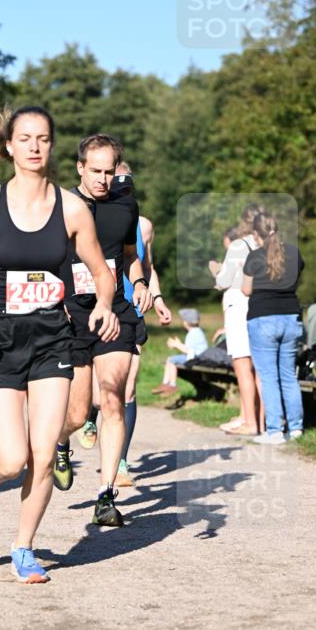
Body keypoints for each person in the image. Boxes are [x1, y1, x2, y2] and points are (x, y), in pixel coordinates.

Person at [0, 106, 117, 583]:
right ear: (10, 146)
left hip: (51, 339)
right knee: (12, 458)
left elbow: (101, 271)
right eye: (26, 138)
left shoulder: (72, 209)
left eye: (43, 138)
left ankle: (24, 547)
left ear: (51, 147)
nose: (35, 146)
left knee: (42, 452)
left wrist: (102, 303)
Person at [52, 135, 152, 528]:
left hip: (115, 313)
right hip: (73, 315)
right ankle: (62, 443)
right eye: (95, 171)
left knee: (112, 400)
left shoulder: (126, 206)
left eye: (110, 171)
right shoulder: (61, 207)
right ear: (79, 167)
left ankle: (105, 495)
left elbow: (129, 258)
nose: (103, 179)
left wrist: (140, 283)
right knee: (77, 414)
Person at [112, 162, 172, 487]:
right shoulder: (93, 216)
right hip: (100, 309)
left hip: (134, 307)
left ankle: (121, 462)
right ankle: (91, 421)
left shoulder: (144, 225)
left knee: (129, 386)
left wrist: (158, 298)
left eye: (127, 188)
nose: (122, 194)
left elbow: (148, 267)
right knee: (101, 391)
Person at [242, 212, 305, 444]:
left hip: (262, 318)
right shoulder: (294, 253)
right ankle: (296, 429)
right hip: (290, 317)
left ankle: (275, 431)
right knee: (288, 375)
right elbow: (297, 280)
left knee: (268, 377)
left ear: (257, 235)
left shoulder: (254, 257)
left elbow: (246, 290)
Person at [209, 205, 264, 435]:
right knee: (260, 367)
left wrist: (216, 270)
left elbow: (224, 281)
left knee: (242, 364)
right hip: (261, 305)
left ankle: (249, 422)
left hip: (238, 304)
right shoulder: (268, 243)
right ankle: (258, 420)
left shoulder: (238, 245)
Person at [154, 309, 208, 393]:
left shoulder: (192, 333)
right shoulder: (197, 332)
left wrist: (176, 344)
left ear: (186, 322)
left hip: (196, 358)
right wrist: (179, 344)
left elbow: (189, 351)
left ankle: (172, 385)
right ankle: (165, 384)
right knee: (170, 359)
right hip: (198, 357)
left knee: (172, 360)